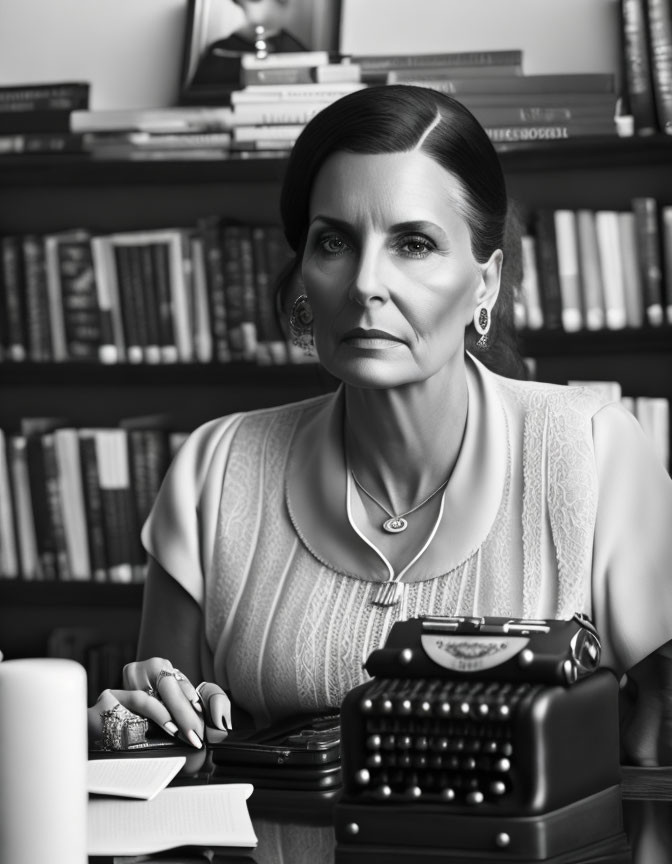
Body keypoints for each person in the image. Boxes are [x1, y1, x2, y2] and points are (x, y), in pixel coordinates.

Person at [88, 85, 672, 860]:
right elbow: (166, 770)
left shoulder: (595, 451)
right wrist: (132, 729)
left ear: (486, 282)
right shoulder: (215, 466)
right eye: (333, 242)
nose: (366, 282)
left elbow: (657, 772)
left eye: (414, 243)